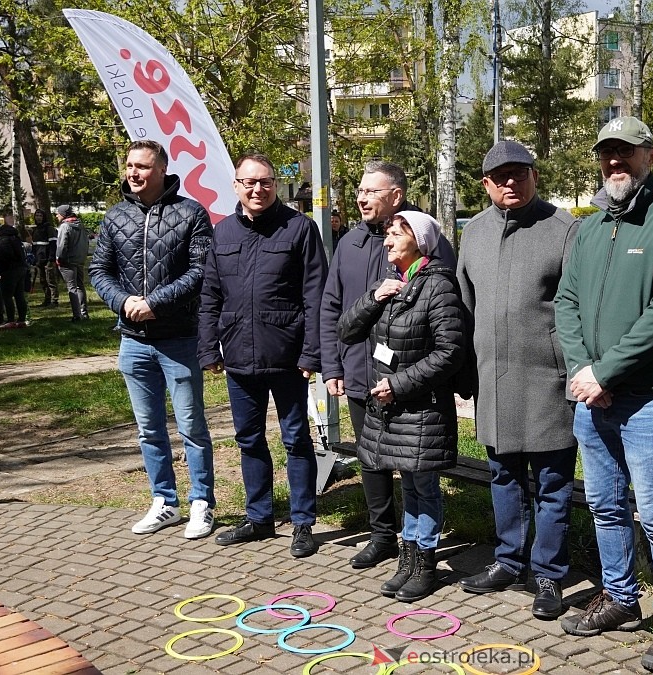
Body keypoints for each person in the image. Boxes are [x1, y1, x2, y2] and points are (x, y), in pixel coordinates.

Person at [553, 116, 653, 673]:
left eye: (627, 153)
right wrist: (582, 370)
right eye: (607, 154)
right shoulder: (590, 228)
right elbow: (566, 302)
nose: (616, 162)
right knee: (605, 506)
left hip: (647, 397)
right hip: (592, 397)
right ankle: (619, 598)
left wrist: (605, 373)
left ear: (651, 156)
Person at [455, 140, 578, 620]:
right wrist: (467, 370)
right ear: (485, 184)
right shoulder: (475, 232)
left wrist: (574, 371)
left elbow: (580, 308)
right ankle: (508, 561)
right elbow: (465, 308)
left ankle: (548, 574)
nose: (511, 182)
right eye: (500, 176)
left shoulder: (563, 228)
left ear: (535, 175)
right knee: (504, 477)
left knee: (552, 484)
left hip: (549, 379)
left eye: (519, 173)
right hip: (494, 381)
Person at [319, 161, 456, 570]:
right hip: (362, 376)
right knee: (371, 458)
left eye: (370, 192)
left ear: (395, 196)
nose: (360, 198)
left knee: (415, 470)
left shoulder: (427, 238)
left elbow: (449, 319)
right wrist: (332, 366)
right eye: (359, 191)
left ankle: (418, 551)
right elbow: (332, 308)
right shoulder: (349, 243)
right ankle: (382, 536)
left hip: (413, 382)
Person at [200, 153, 328, 557]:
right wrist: (208, 348)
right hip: (238, 355)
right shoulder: (222, 234)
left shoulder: (300, 229)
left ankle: (303, 523)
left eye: (265, 182)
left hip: (289, 357)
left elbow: (316, 296)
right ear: (236, 186)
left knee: (296, 440)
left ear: (276, 185)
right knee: (249, 439)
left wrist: (312, 354)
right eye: (249, 182)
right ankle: (258, 519)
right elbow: (209, 296)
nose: (257, 189)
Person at [337, 210, 467, 602]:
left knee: (423, 485)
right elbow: (346, 330)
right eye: (387, 234)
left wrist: (397, 383)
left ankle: (424, 563)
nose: (388, 240)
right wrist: (373, 297)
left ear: (420, 242)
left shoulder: (439, 287)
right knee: (408, 482)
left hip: (420, 407)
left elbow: (450, 351)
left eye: (397, 233)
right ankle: (407, 559)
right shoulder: (391, 285)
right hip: (392, 408)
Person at [89, 139, 216, 540]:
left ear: (162, 170)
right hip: (133, 340)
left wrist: (155, 304)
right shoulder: (115, 216)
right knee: (149, 429)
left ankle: (202, 503)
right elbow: (99, 269)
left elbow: (200, 271)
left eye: (142, 166)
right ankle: (164, 501)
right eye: (129, 165)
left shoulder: (190, 213)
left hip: (178, 337)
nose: (133, 173)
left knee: (192, 426)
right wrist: (123, 301)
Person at [55, 205, 90, 322]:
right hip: (80, 259)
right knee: (80, 286)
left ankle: (77, 315)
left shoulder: (65, 226)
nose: (56, 215)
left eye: (58, 213)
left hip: (68, 261)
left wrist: (59, 258)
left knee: (72, 287)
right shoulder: (80, 225)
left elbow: (62, 244)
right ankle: (84, 313)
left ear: (63, 214)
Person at [0, 218, 29, 329]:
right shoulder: (14, 237)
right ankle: (21, 320)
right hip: (21, 268)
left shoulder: (3, 240)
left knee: (7, 296)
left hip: (9, 270)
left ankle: (11, 320)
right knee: (19, 295)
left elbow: (5, 256)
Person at [31, 209, 59, 308]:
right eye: (36, 215)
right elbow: (34, 246)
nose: (38, 217)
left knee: (50, 280)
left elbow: (53, 244)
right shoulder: (35, 230)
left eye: (40, 215)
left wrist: (51, 258)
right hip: (39, 259)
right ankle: (47, 300)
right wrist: (34, 258)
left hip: (48, 259)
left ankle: (54, 300)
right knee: (43, 280)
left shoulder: (49, 229)